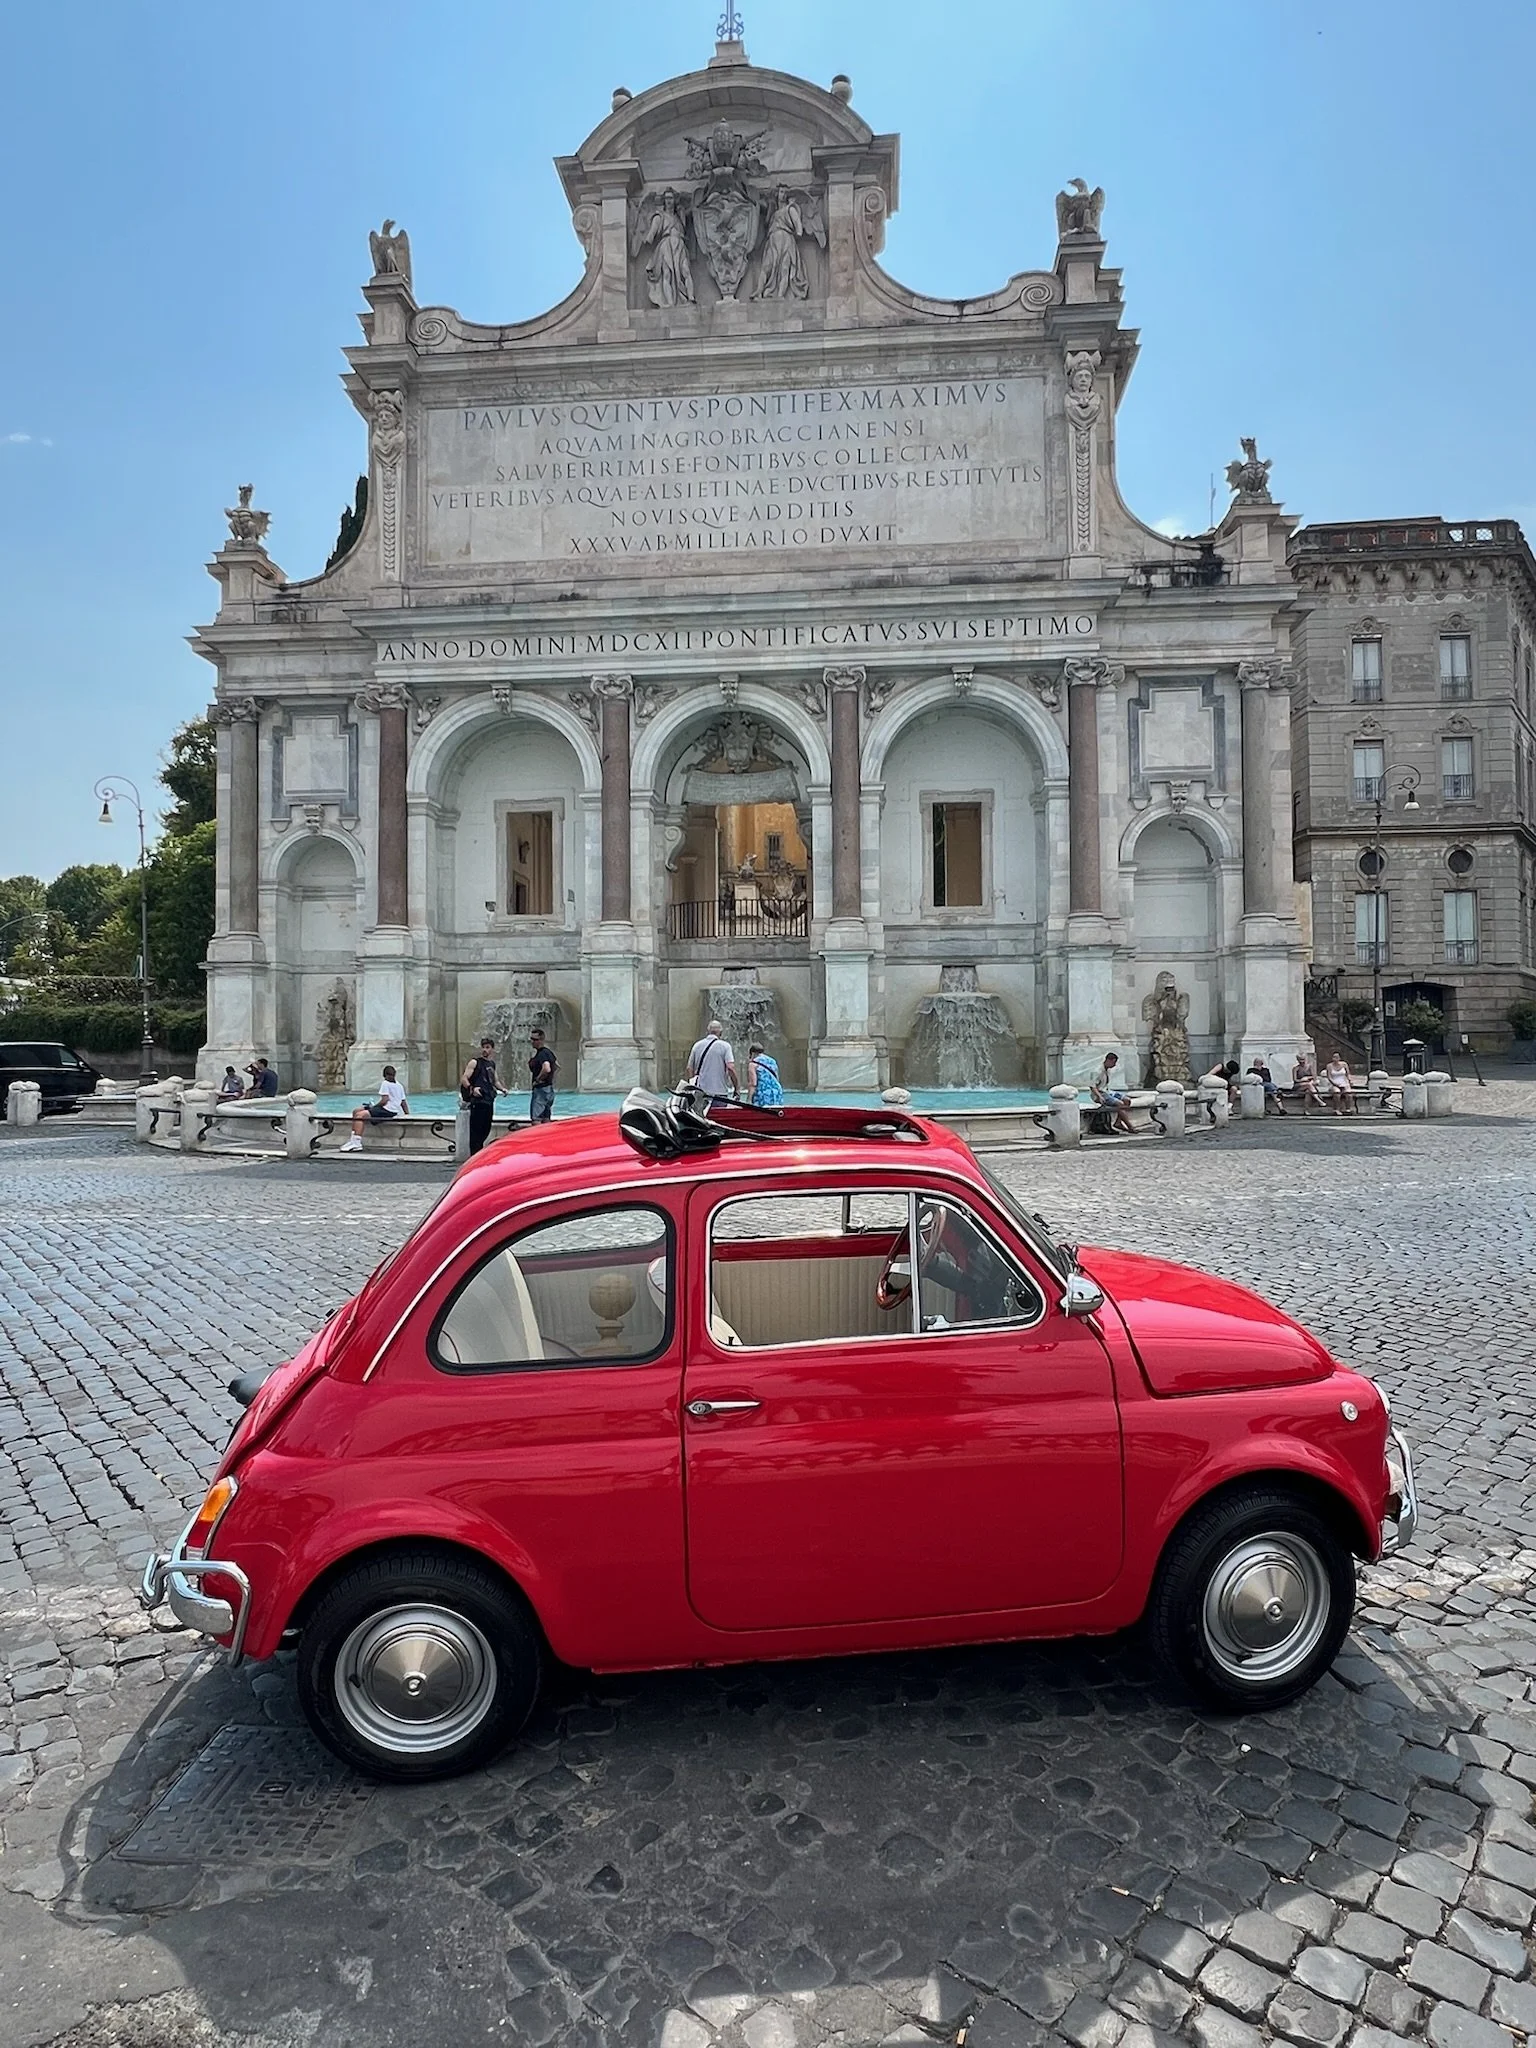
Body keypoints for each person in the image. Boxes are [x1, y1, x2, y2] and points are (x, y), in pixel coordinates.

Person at [340, 1066, 409, 1151]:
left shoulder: (385, 1083)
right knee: (356, 1111)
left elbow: (384, 1100)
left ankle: (356, 1143)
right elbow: (403, 1103)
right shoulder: (399, 1085)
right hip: (392, 1111)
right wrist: (407, 1114)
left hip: (386, 1110)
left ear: (384, 1075)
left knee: (359, 1115)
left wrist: (374, 1107)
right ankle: (352, 1139)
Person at [460, 1037, 500, 1154]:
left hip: (488, 1100)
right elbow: (464, 1078)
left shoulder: (492, 1064)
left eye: (487, 1047)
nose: (484, 1050)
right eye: (483, 1047)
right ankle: (474, 1155)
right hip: (478, 1101)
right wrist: (472, 1089)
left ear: (492, 1049)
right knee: (476, 1132)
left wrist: (502, 1089)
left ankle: (479, 1152)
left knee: (485, 1129)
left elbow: (495, 1081)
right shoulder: (474, 1062)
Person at [686, 1019, 737, 1108]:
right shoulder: (725, 1046)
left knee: (700, 1118)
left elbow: (689, 1068)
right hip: (719, 1092)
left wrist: (692, 1085)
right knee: (718, 1119)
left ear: (708, 1031)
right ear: (720, 1032)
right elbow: (730, 1068)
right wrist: (737, 1087)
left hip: (700, 1092)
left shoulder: (697, 1045)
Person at [1091, 1052, 1135, 1135]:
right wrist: (1099, 1097)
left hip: (1107, 1091)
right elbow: (1092, 1086)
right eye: (1113, 1063)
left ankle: (1118, 1123)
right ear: (1108, 1060)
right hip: (1100, 1093)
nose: (1114, 1065)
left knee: (1127, 1100)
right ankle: (1130, 1126)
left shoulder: (1107, 1070)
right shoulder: (1097, 1071)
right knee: (1120, 1104)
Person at [527, 1029, 558, 1124]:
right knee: (546, 1118)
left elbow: (546, 1068)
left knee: (536, 1119)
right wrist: (551, 1079)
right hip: (549, 1089)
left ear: (541, 1040)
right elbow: (557, 1066)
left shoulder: (542, 1054)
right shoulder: (548, 1052)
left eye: (534, 1039)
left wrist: (538, 1079)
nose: (532, 1041)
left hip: (541, 1090)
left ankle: (536, 1137)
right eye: (531, 1039)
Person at [745, 1042, 783, 1107]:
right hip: (776, 1091)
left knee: (761, 1115)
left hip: (763, 1093)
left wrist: (748, 1100)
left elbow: (753, 1083)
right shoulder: (772, 1061)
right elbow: (776, 1078)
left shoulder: (753, 1064)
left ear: (753, 1053)